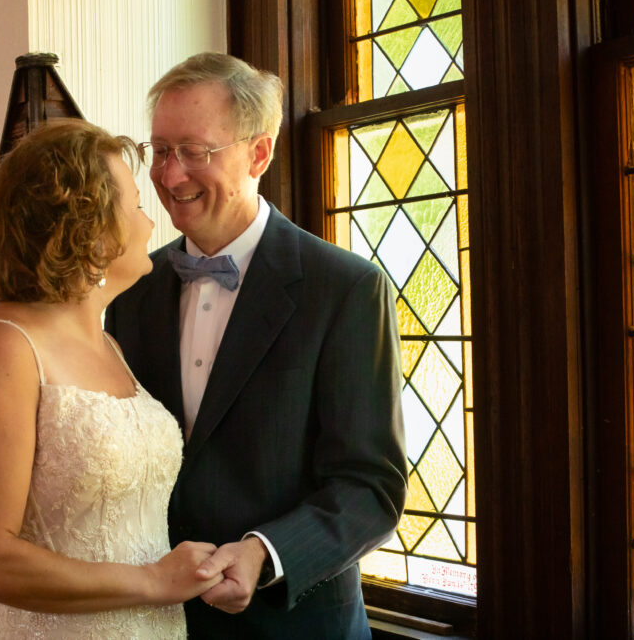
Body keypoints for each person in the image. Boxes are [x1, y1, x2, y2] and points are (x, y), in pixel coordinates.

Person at [105, 52, 408, 638]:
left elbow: (370, 486)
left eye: (195, 151)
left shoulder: (346, 288)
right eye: (161, 151)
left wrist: (264, 553)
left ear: (259, 154)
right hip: (155, 622)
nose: (171, 176)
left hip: (295, 625)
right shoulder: (131, 289)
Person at [0, 118, 223, 639]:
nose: (150, 224)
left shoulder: (110, 344)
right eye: (136, 206)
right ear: (90, 228)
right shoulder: (2, 347)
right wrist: (154, 581)